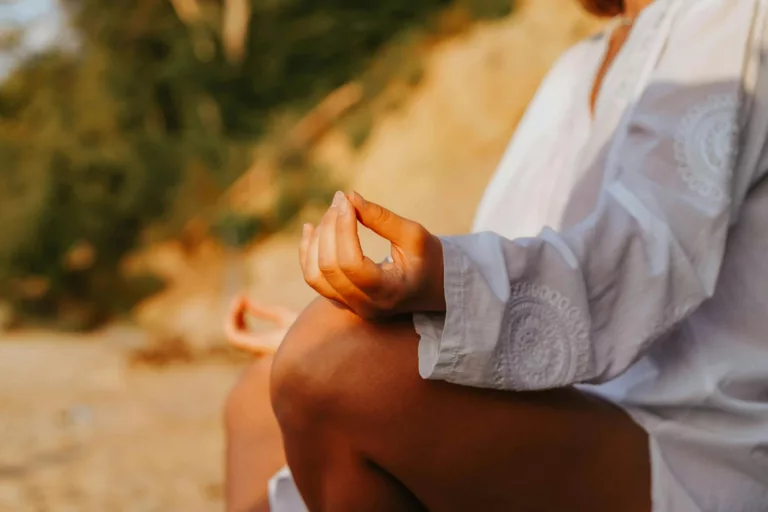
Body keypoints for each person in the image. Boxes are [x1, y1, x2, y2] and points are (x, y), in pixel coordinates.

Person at [225, 0, 768, 510]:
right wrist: (369, 314)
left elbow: (641, 264)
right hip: (570, 406)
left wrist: (435, 286)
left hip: (684, 439)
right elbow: (512, 247)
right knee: (258, 395)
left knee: (330, 364)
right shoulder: (573, 70)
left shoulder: (725, 15)